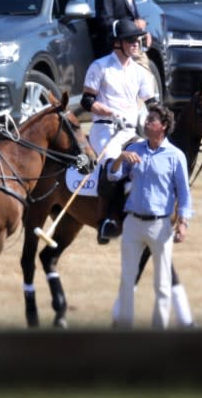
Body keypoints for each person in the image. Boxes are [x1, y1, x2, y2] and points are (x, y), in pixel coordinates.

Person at [108, 104, 193, 329]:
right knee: (127, 280)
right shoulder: (135, 149)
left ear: (163, 126)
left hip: (161, 226)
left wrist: (183, 222)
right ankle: (124, 330)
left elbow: (184, 193)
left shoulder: (176, 156)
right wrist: (119, 159)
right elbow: (113, 176)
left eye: (151, 121)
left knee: (163, 284)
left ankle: (159, 333)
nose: (146, 123)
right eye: (146, 120)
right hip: (133, 224)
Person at [80, 18, 157, 244]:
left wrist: (163, 119)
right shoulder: (100, 67)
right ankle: (106, 221)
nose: (136, 43)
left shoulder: (141, 72)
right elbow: (87, 101)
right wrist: (110, 113)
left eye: (138, 39)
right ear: (117, 43)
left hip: (130, 132)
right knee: (113, 165)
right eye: (131, 40)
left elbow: (151, 103)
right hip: (105, 130)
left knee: (146, 162)